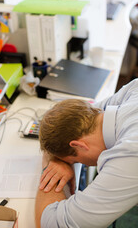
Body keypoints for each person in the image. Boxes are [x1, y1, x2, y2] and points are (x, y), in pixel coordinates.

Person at [35, 79, 138, 228]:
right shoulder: (132, 90)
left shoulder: (129, 154)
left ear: (78, 146)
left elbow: (52, 225)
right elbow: (88, 112)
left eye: (74, 161)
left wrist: (50, 168)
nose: (79, 164)